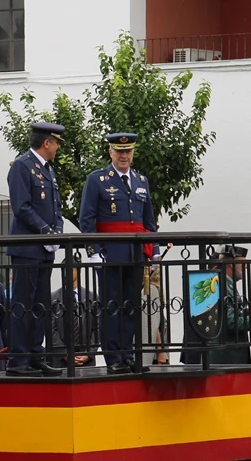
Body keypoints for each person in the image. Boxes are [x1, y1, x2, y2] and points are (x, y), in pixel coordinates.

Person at [78, 132, 159, 376]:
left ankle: (127, 354)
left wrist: (153, 252)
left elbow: (148, 221)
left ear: (133, 153)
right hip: (110, 253)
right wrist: (93, 251)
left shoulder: (141, 180)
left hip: (135, 254)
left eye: (128, 151)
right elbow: (87, 218)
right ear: (111, 153)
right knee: (111, 307)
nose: (124, 156)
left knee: (130, 306)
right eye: (119, 151)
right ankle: (113, 356)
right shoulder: (97, 179)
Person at [6, 121, 66, 377]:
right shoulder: (22, 166)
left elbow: (56, 208)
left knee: (41, 304)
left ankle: (34, 355)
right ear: (47, 143)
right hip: (27, 248)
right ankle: (18, 358)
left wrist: (57, 232)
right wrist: (45, 231)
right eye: (56, 143)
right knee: (23, 303)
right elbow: (22, 207)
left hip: (44, 249)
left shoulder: (48, 170)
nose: (57, 148)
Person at [211, 245, 251, 365]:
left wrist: (245, 314)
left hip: (229, 352)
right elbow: (230, 322)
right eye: (243, 263)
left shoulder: (226, 283)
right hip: (228, 354)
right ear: (231, 264)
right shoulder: (223, 285)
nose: (246, 267)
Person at [51, 264, 99, 367]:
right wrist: (64, 354)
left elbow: (98, 328)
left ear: (79, 271)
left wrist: (89, 353)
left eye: (70, 269)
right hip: (60, 362)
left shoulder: (92, 297)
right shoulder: (53, 298)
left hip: (87, 362)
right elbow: (51, 330)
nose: (66, 272)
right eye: (63, 269)